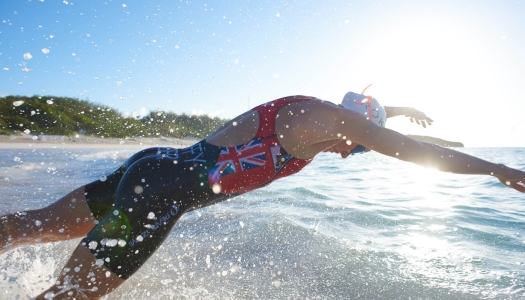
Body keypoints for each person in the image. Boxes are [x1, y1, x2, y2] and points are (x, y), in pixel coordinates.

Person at [1, 89, 524, 299]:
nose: (350, 154)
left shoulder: (317, 124)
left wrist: (402, 110)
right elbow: (408, 151)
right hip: (157, 195)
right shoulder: (330, 120)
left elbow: (394, 137)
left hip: (151, 170)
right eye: (359, 144)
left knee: (29, 227)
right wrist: (497, 169)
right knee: (68, 297)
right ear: (360, 124)